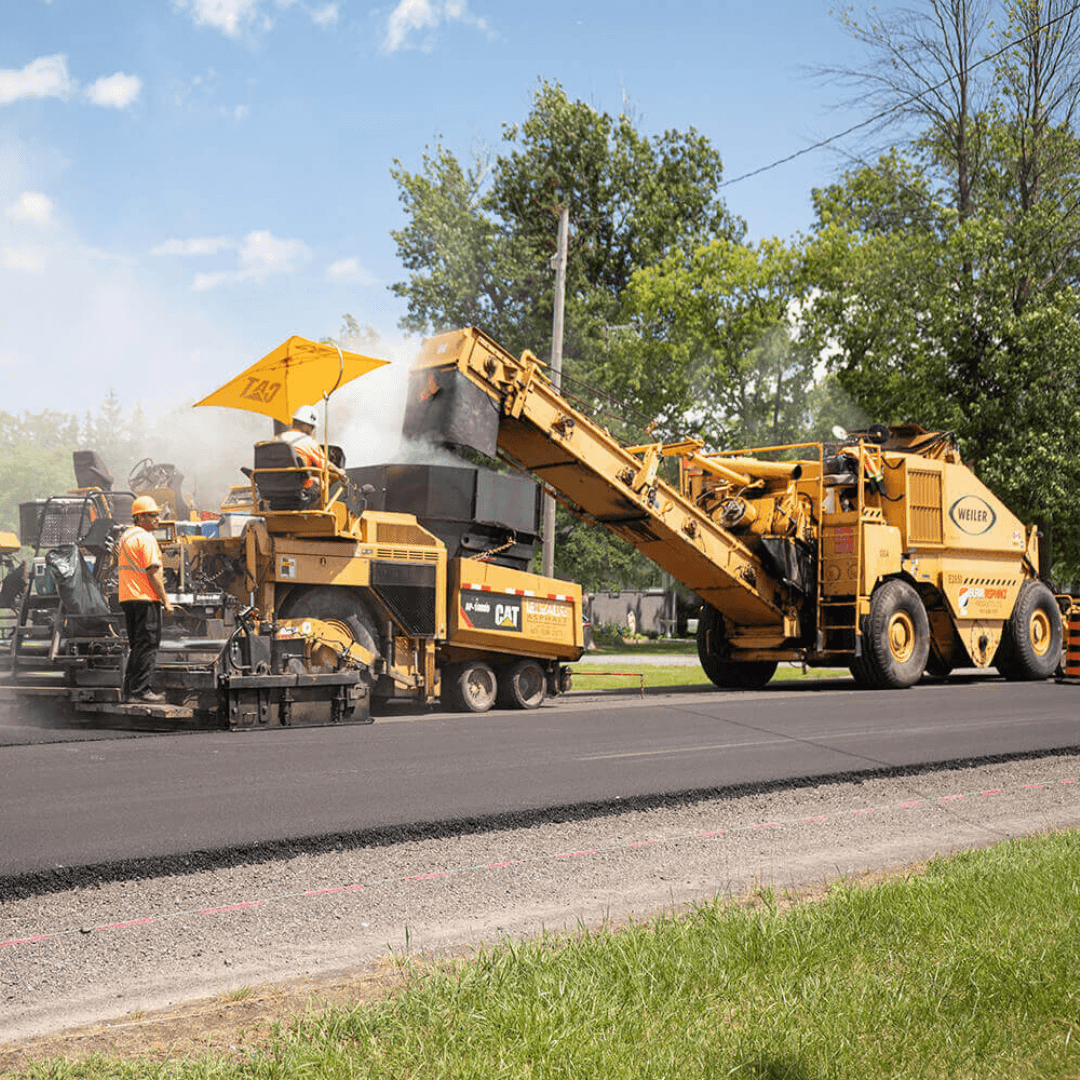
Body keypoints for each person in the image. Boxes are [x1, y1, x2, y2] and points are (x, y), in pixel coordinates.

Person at [117, 495, 173, 703]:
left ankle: (129, 691)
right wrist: (166, 601)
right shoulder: (146, 538)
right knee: (148, 644)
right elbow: (154, 573)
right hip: (145, 597)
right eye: (153, 515)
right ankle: (141, 691)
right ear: (140, 517)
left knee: (137, 646)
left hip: (127, 598)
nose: (157, 519)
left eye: (158, 515)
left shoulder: (125, 537)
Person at [276, 404, 346, 495]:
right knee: (322, 483)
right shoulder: (307, 441)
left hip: (275, 488)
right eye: (312, 426)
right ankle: (314, 507)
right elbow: (325, 464)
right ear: (304, 425)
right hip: (298, 489)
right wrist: (339, 471)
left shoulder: (276, 439)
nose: (312, 430)